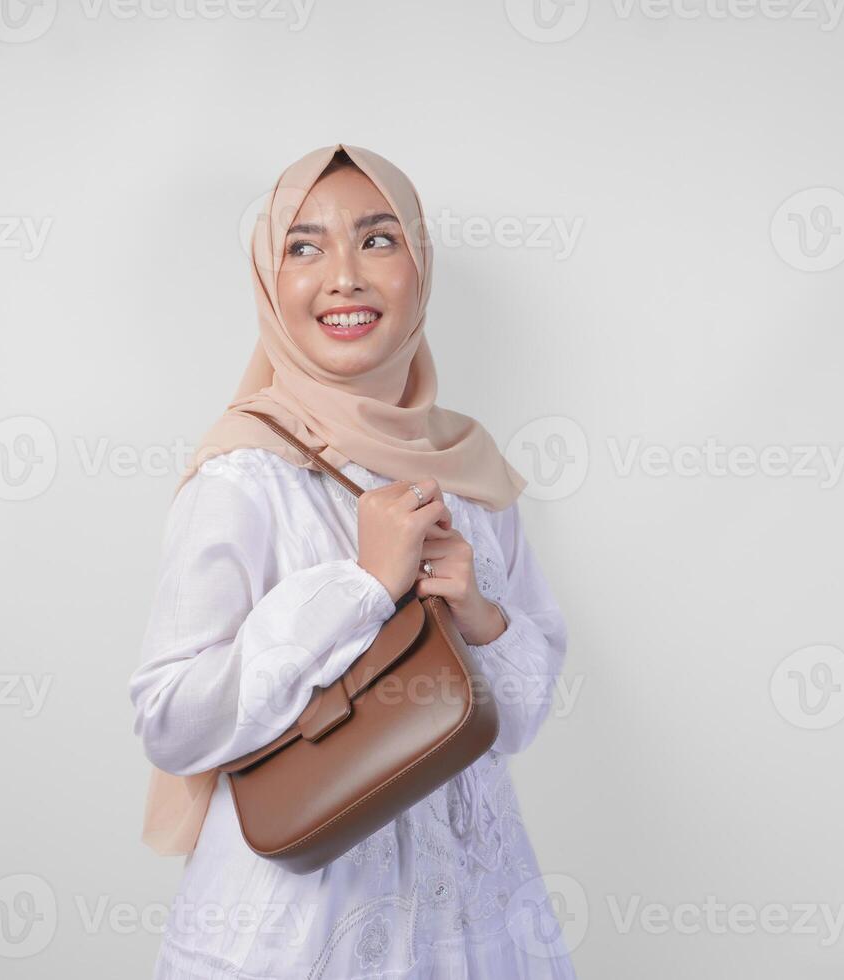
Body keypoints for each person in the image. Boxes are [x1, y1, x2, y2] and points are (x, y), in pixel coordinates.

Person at [128, 143, 576, 978]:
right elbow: (169, 716)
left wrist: (482, 615)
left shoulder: (468, 470)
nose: (343, 276)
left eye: (378, 240)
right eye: (304, 246)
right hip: (298, 933)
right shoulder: (245, 473)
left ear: (419, 267)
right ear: (270, 280)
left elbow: (517, 722)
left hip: (473, 930)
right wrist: (358, 587)